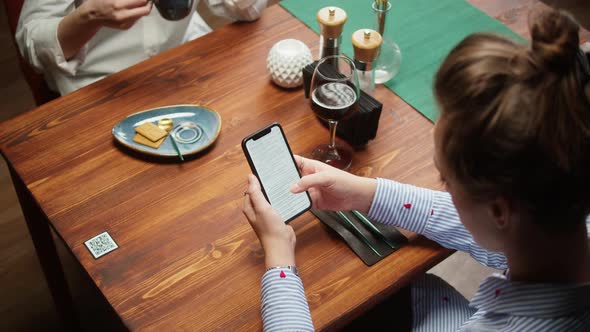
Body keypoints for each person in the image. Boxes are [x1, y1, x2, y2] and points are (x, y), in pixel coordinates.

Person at [242, 6, 590, 332]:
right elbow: (501, 235)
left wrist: (279, 260)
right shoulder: (561, 215)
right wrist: (364, 193)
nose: (444, 189)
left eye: (447, 180)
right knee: (413, 286)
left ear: (500, 208)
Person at [15, 0, 267, 96]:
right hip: (99, 84)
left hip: (188, 61)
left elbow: (246, 9)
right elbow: (32, 44)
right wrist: (90, 15)